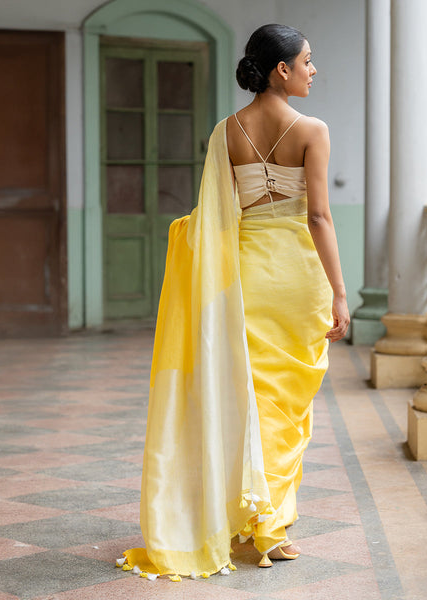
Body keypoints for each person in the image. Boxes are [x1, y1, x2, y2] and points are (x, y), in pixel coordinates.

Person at [122, 23, 350, 580]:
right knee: (286, 405)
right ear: (281, 70)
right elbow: (319, 216)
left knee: (248, 394)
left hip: (242, 276)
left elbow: (220, 216)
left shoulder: (225, 131)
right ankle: (270, 527)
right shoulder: (312, 129)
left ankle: (253, 518)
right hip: (296, 275)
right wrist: (341, 292)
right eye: (307, 61)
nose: (313, 70)